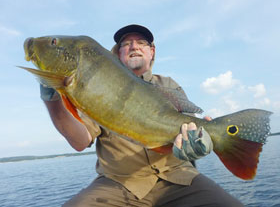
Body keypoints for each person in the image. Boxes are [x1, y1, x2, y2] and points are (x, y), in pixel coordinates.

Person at [41, 24, 244, 206]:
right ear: (117, 53)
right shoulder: (93, 90)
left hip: (179, 176)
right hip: (118, 184)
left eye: (141, 42)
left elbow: (187, 131)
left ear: (151, 51)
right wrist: (53, 101)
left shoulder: (169, 86)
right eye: (126, 44)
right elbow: (79, 141)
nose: (134, 46)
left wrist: (198, 142)